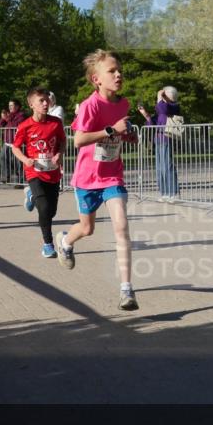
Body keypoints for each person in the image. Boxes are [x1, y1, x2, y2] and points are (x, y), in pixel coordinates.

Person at [55, 49, 140, 311]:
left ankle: (127, 291)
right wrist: (112, 130)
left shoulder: (124, 104)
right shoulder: (90, 105)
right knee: (87, 229)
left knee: (121, 227)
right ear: (96, 79)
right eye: (112, 71)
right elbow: (79, 140)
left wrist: (128, 136)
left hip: (112, 176)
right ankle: (65, 242)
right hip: (87, 178)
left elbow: (118, 135)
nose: (118, 74)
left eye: (119, 70)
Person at [11, 87, 67, 257]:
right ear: (31, 105)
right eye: (41, 101)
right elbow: (15, 148)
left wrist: (59, 154)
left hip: (52, 172)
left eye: (46, 100)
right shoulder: (25, 126)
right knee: (43, 208)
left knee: (51, 212)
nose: (45, 103)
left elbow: (63, 143)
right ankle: (48, 244)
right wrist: (25, 159)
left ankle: (31, 196)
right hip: (34, 172)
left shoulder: (55, 122)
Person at [137, 86, 181, 202]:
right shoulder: (161, 109)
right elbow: (152, 124)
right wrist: (146, 115)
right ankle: (164, 193)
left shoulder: (173, 106)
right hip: (158, 140)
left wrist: (160, 98)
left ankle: (174, 193)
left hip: (167, 138)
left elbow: (163, 109)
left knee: (168, 166)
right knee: (160, 168)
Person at [0, 100, 26, 184]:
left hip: (17, 143)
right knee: (2, 158)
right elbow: (1, 124)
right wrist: (3, 118)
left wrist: (7, 118)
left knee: (18, 162)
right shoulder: (10, 115)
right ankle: (6, 177)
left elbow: (15, 125)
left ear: (17, 106)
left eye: (11, 105)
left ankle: (19, 181)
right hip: (7, 142)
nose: (10, 107)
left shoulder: (21, 115)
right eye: (9, 105)